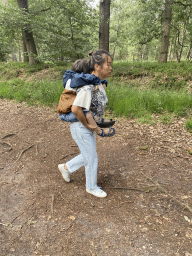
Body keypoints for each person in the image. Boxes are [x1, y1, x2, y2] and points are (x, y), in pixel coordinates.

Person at [58, 50, 113, 198]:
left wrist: (99, 123)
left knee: (89, 154)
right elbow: (76, 109)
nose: (110, 67)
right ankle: (91, 187)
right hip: (80, 127)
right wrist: (90, 126)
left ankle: (66, 167)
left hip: (86, 125)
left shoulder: (99, 83)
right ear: (96, 66)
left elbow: (94, 108)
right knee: (91, 157)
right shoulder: (88, 86)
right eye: (108, 64)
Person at [57, 59, 115, 136]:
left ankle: (99, 120)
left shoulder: (75, 78)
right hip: (66, 114)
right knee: (88, 114)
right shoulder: (75, 79)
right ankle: (100, 131)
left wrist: (103, 82)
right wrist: (96, 81)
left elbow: (93, 79)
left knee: (89, 108)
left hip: (68, 111)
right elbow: (87, 78)